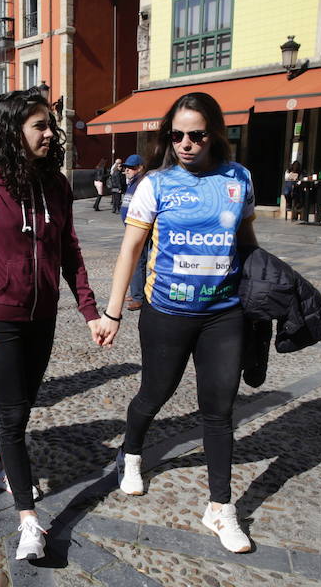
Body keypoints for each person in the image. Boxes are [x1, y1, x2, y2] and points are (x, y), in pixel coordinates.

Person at [97, 92, 258, 554]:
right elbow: (129, 250)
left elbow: (246, 242)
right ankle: (130, 454)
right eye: (178, 135)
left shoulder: (238, 179)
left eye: (196, 135)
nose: (186, 143)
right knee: (155, 393)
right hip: (166, 312)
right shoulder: (155, 184)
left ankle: (221, 508)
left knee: (219, 410)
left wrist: (269, 290)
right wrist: (113, 312)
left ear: (214, 134)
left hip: (223, 314)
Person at [0, 88, 101, 561]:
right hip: (0, 317)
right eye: (39, 125)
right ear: (13, 130)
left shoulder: (56, 185)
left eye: (50, 126)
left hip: (44, 317)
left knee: (26, 404)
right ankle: (29, 521)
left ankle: (3, 461)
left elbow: (69, 251)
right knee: (13, 416)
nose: (49, 133)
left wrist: (89, 311)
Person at [118, 154, 146, 312]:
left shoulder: (141, 183)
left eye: (132, 168)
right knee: (135, 261)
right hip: (131, 228)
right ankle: (136, 293)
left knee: (137, 262)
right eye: (126, 167)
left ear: (140, 168)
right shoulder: (133, 183)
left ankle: (138, 297)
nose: (127, 170)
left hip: (139, 229)